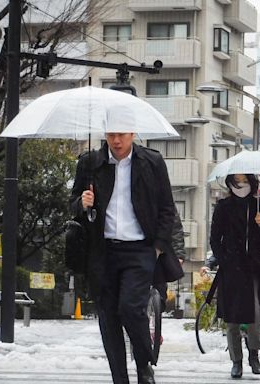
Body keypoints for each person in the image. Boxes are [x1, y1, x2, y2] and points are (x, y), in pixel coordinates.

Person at [70, 132, 175, 384]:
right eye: (111, 134)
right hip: (102, 250)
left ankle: (144, 365)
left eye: (122, 135)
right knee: (108, 317)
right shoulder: (89, 163)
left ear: (132, 133)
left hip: (140, 249)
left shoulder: (152, 162)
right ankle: (120, 379)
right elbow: (72, 203)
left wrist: (158, 247)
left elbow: (167, 207)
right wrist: (82, 203)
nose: (116, 140)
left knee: (130, 308)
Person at [200, 174, 260, 379]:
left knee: (255, 315)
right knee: (232, 319)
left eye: (244, 181)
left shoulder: (258, 204)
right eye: (236, 182)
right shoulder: (223, 206)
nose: (240, 186)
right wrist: (224, 260)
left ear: (252, 183)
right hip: (231, 270)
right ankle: (236, 361)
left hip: (254, 268)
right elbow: (215, 238)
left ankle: (254, 354)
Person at [153, 207, 187, 312]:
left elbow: (175, 228)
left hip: (161, 251)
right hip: (136, 249)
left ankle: (157, 311)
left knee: (159, 291)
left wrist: (179, 254)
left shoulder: (161, 196)